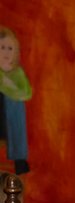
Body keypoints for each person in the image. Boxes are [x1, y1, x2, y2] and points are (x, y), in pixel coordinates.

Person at [0, 26, 32, 174]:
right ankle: (19, 158)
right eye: (2, 47)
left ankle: (19, 158)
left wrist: (8, 86)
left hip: (10, 121)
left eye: (10, 48)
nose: (6, 52)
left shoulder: (17, 72)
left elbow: (26, 93)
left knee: (15, 103)